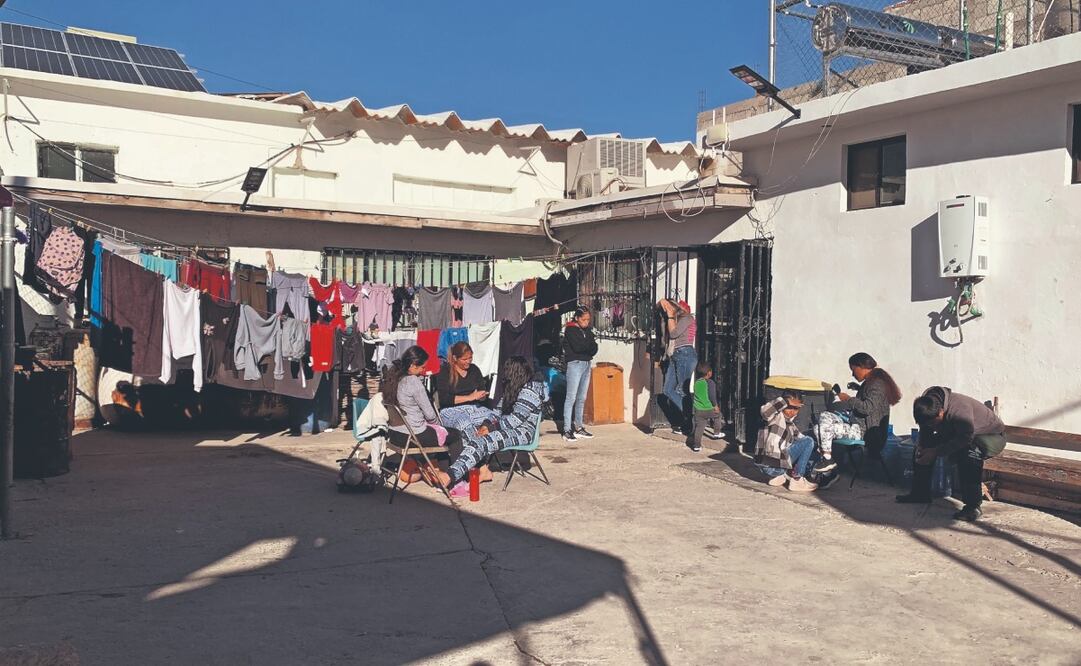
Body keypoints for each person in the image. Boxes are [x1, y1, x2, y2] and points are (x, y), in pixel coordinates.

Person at [431, 356, 547, 491]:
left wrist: (491, 429)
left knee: (483, 441)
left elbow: (516, 420)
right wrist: (486, 425)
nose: (505, 376)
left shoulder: (530, 391)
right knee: (472, 434)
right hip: (509, 428)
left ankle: (450, 476)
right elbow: (497, 412)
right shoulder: (514, 387)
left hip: (524, 432)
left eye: (508, 372)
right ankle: (480, 471)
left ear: (515, 373)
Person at [897, 387, 1006, 522]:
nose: (932, 426)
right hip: (957, 433)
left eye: (933, 423)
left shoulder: (960, 410)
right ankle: (920, 493)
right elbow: (926, 431)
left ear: (941, 412)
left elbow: (965, 438)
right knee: (921, 450)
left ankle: (973, 506)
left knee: (969, 453)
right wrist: (923, 448)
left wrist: (936, 451)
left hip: (990, 436)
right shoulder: (926, 406)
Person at [382, 346, 479, 486]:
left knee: (442, 434)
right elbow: (430, 414)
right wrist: (439, 426)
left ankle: (443, 477)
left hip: (396, 434)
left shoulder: (394, 379)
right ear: (413, 365)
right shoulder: (413, 381)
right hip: (413, 435)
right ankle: (455, 480)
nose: (423, 372)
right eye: (422, 367)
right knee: (454, 435)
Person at [813, 352, 902, 478]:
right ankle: (827, 459)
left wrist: (848, 399)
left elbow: (868, 408)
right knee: (824, 418)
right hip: (855, 425)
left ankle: (828, 464)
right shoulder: (871, 382)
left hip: (864, 432)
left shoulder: (877, 384)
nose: (853, 374)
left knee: (821, 428)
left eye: (853, 369)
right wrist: (858, 390)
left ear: (862, 367)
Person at [755, 392, 818, 491]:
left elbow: (801, 439)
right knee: (809, 441)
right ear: (783, 405)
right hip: (769, 463)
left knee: (809, 442)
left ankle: (778, 476)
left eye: (796, 408)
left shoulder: (790, 425)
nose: (792, 412)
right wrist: (785, 401)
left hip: (771, 466)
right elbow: (765, 411)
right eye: (789, 407)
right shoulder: (774, 417)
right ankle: (797, 480)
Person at [436, 342, 499, 433]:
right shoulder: (445, 371)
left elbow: (482, 391)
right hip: (451, 410)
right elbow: (444, 399)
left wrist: (482, 396)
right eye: (464, 359)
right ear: (455, 358)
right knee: (464, 424)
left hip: (474, 408)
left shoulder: (474, 369)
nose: (468, 361)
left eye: (470, 358)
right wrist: (470, 397)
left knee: (495, 419)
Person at [660, 298, 697, 432]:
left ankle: (691, 418)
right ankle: (688, 416)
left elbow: (674, 333)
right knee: (668, 390)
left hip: (685, 354)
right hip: (675, 355)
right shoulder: (672, 320)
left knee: (682, 390)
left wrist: (670, 315)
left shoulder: (687, 318)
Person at [562, 306, 598, 442]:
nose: (586, 323)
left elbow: (594, 347)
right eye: (583, 320)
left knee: (581, 397)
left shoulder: (588, 331)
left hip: (586, 363)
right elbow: (578, 347)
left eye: (588, 320)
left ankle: (579, 426)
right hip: (575, 364)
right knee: (571, 397)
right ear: (577, 318)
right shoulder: (570, 330)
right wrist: (587, 346)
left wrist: (587, 347)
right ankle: (566, 429)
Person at [688, 361, 719, 453]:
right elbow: (712, 396)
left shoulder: (697, 382)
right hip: (709, 409)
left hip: (698, 410)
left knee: (699, 428)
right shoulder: (710, 383)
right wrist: (715, 406)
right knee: (718, 416)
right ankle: (716, 433)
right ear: (709, 373)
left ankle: (697, 446)